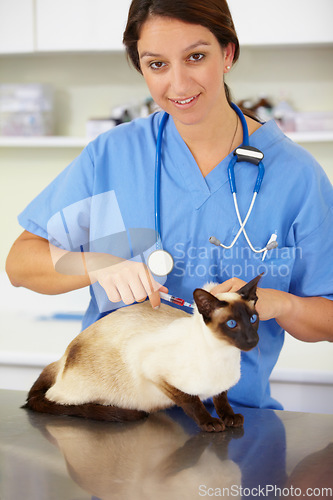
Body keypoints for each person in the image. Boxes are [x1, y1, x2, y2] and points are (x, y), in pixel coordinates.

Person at [6, 0, 333, 409]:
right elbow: (21, 262)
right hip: (117, 412)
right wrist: (98, 264)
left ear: (228, 53)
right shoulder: (112, 156)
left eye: (196, 57)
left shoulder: (295, 176)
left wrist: (283, 303)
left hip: (232, 423)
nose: (178, 85)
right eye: (156, 64)